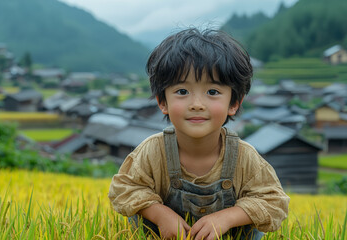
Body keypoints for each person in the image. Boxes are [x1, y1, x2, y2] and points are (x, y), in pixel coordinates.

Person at [108, 28, 290, 240]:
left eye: (212, 92)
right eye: (182, 91)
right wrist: (160, 214)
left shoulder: (244, 157)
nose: (196, 105)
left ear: (233, 104)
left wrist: (228, 218)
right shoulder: (152, 151)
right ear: (162, 102)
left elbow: (274, 202)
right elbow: (124, 189)